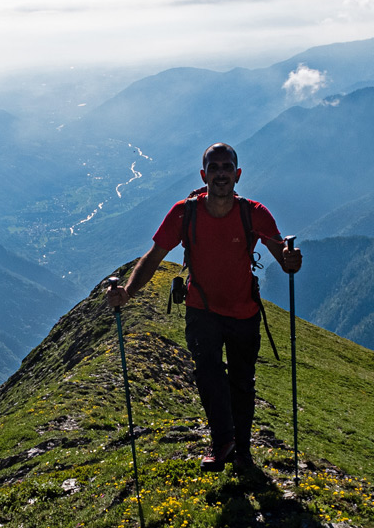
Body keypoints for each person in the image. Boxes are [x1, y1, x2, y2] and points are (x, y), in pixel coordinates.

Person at [106, 142, 302, 473]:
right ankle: (224, 442)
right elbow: (153, 257)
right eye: (215, 168)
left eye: (227, 167)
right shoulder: (185, 213)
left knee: (242, 382)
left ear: (237, 174)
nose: (221, 173)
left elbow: (281, 257)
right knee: (208, 373)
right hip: (202, 309)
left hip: (243, 312)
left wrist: (290, 260)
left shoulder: (254, 213)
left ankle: (241, 450)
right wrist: (127, 291)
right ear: (204, 174)